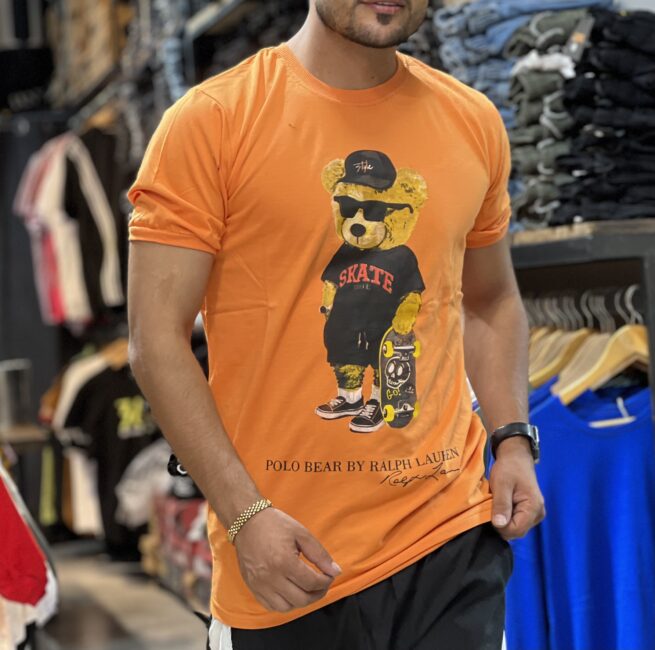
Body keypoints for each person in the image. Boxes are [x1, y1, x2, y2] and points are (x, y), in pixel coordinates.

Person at [127, 1, 546, 648]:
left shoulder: (472, 120)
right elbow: (156, 343)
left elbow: (491, 300)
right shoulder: (212, 122)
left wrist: (512, 440)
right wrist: (243, 517)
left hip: (451, 540)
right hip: (289, 558)